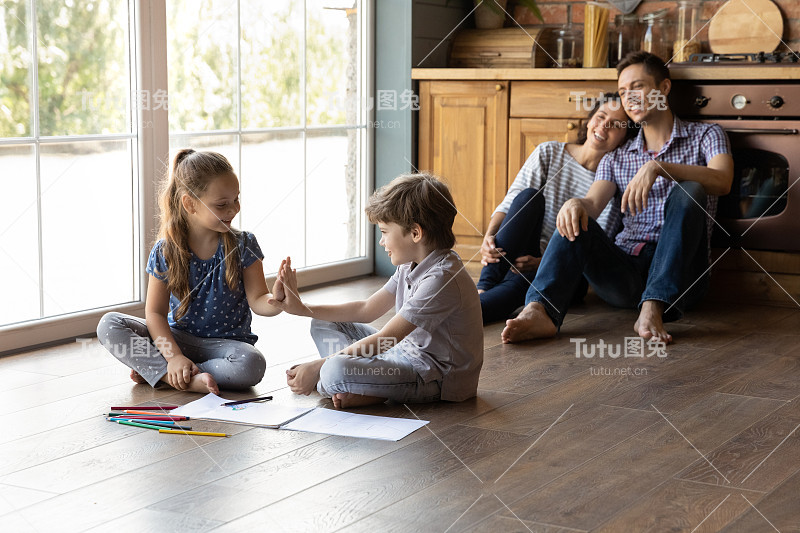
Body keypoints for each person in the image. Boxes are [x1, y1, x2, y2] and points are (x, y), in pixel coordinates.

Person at [502, 51, 734, 344]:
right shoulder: (616, 158)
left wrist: (659, 168)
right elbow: (593, 204)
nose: (629, 98)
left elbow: (722, 180)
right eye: (624, 92)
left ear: (663, 88)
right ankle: (540, 310)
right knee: (577, 214)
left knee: (690, 189)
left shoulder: (706, 135)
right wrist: (577, 203)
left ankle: (654, 306)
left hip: (684, 278)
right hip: (624, 275)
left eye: (637, 87)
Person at [267, 174, 483, 409]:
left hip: (434, 378)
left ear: (415, 233)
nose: (381, 242)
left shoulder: (441, 278)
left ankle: (361, 386)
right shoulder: (410, 263)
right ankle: (366, 387)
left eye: (384, 232)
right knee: (322, 323)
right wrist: (302, 309)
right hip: (401, 354)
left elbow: (385, 340)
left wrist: (318, 367)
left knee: (333, 371)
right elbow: (367, 309)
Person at [97, 149, 285, 394]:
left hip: (228, 346)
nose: (233, 209)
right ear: (189, 203)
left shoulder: (244, 244)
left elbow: (259, 299)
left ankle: (163, 373)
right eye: (222, 204)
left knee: (252, 364)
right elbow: (154, 313)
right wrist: (173, 356)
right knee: (109, 324)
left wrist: (277, 301)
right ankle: (171, 371)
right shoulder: (165, 251)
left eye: (236, 199)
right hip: (177, 340)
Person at [478, 94, 634, 323]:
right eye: (600, 117)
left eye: (615, 125)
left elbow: (596, 242)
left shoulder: (613, 183)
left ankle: (468, 310)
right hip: (523, 249)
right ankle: (484, 286)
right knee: (528, 197)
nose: (603, 126)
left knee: (523, 281)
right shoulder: (549, 152)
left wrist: (545, 262)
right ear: (589, 121)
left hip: (569, 270)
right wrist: (490, 236)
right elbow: (513, 200)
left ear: (624, 138)